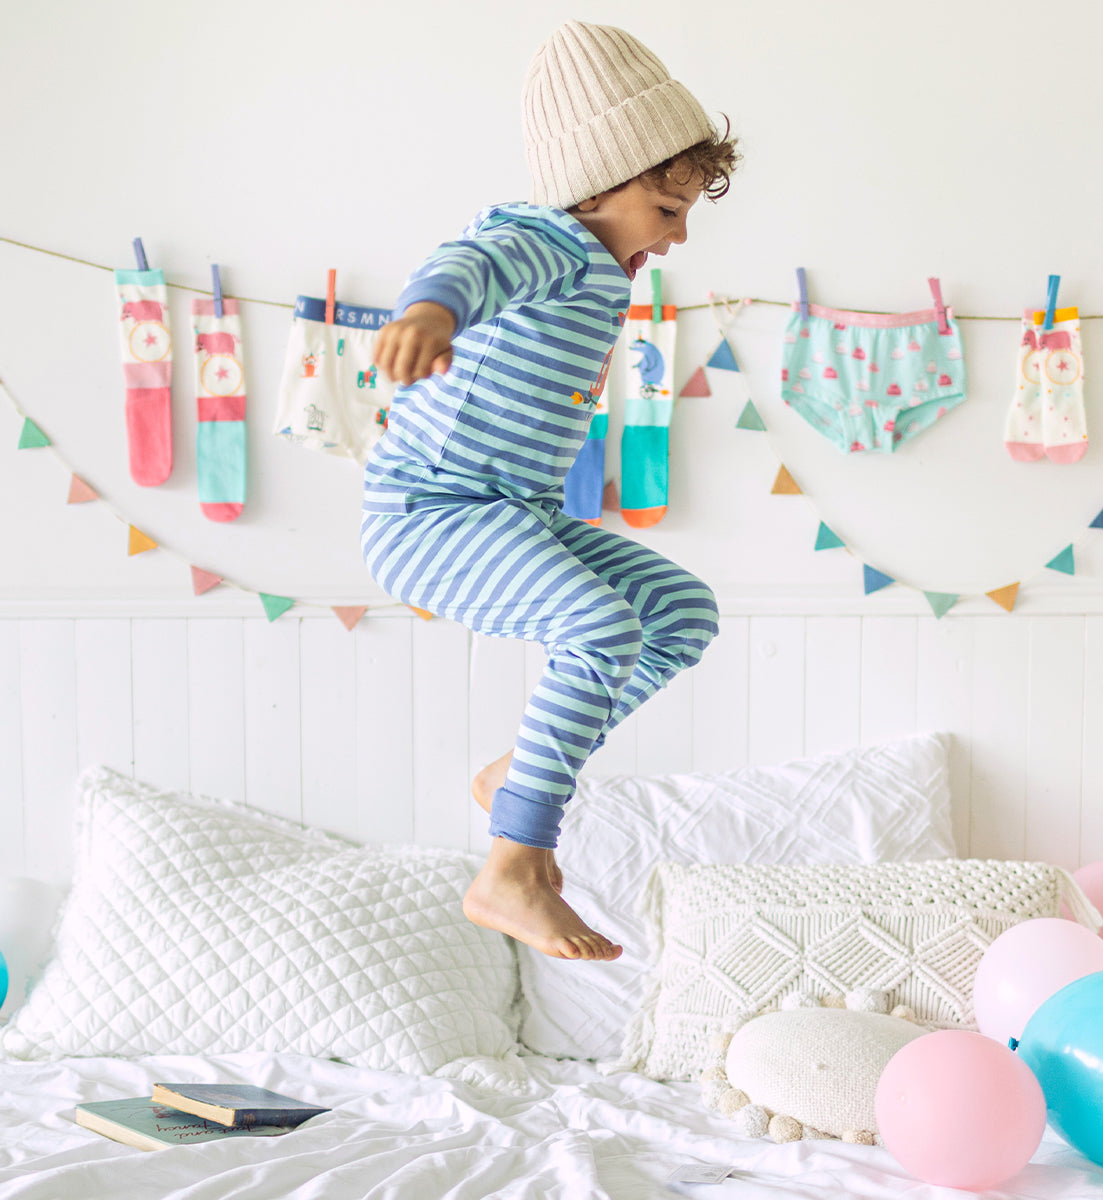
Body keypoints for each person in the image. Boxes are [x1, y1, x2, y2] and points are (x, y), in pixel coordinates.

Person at [361, 19, 740, 962]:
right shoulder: (545, 239)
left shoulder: (597, 270)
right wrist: (430, 311)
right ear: (600, 184)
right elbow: (473, 265)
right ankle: (515, 865)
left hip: (513, 514)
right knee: (602, 626)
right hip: (434, 514)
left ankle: (515, 774)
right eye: (666, 208)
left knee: (678, 612)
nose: (678, 233)